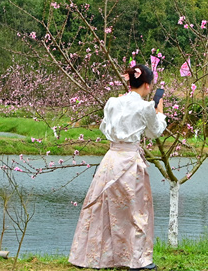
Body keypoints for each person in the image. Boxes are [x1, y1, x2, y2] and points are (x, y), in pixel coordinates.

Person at [69, 64, 166, 271]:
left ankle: (94, 257)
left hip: (111, 159)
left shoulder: (112, 102)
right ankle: (137, 260)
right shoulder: (145, 107)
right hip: (130, 161)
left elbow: (105, 127)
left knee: (103, 207)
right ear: (147, 85)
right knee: (136, 209)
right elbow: (154, 132)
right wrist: (160, 112)